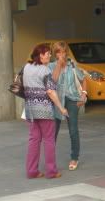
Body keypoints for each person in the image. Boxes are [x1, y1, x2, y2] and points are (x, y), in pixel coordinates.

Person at [22, 43, 67, 179]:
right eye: (47, 53)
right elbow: (51, 91)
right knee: (48, 140)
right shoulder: (45, 70)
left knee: (34, 140)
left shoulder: (27, 67)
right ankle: (51, 171)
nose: (49, 56)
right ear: (40, 55)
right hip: (45, 110)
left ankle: (32, 171)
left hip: (30, 109)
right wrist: (61, 108)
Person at [51, 41, 87, 171]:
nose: (62, 54)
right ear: (55, 54)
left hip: (72, 99)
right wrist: (59, 66)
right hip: (57, 101)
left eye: (64, 51)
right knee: (53, 131)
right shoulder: (51, 66)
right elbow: (52, 82)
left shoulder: (72, 64)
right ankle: (50, 159)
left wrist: (83, 94)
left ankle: (74, 157)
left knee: (73, 129)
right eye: (58, 52)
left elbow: (83, 79)